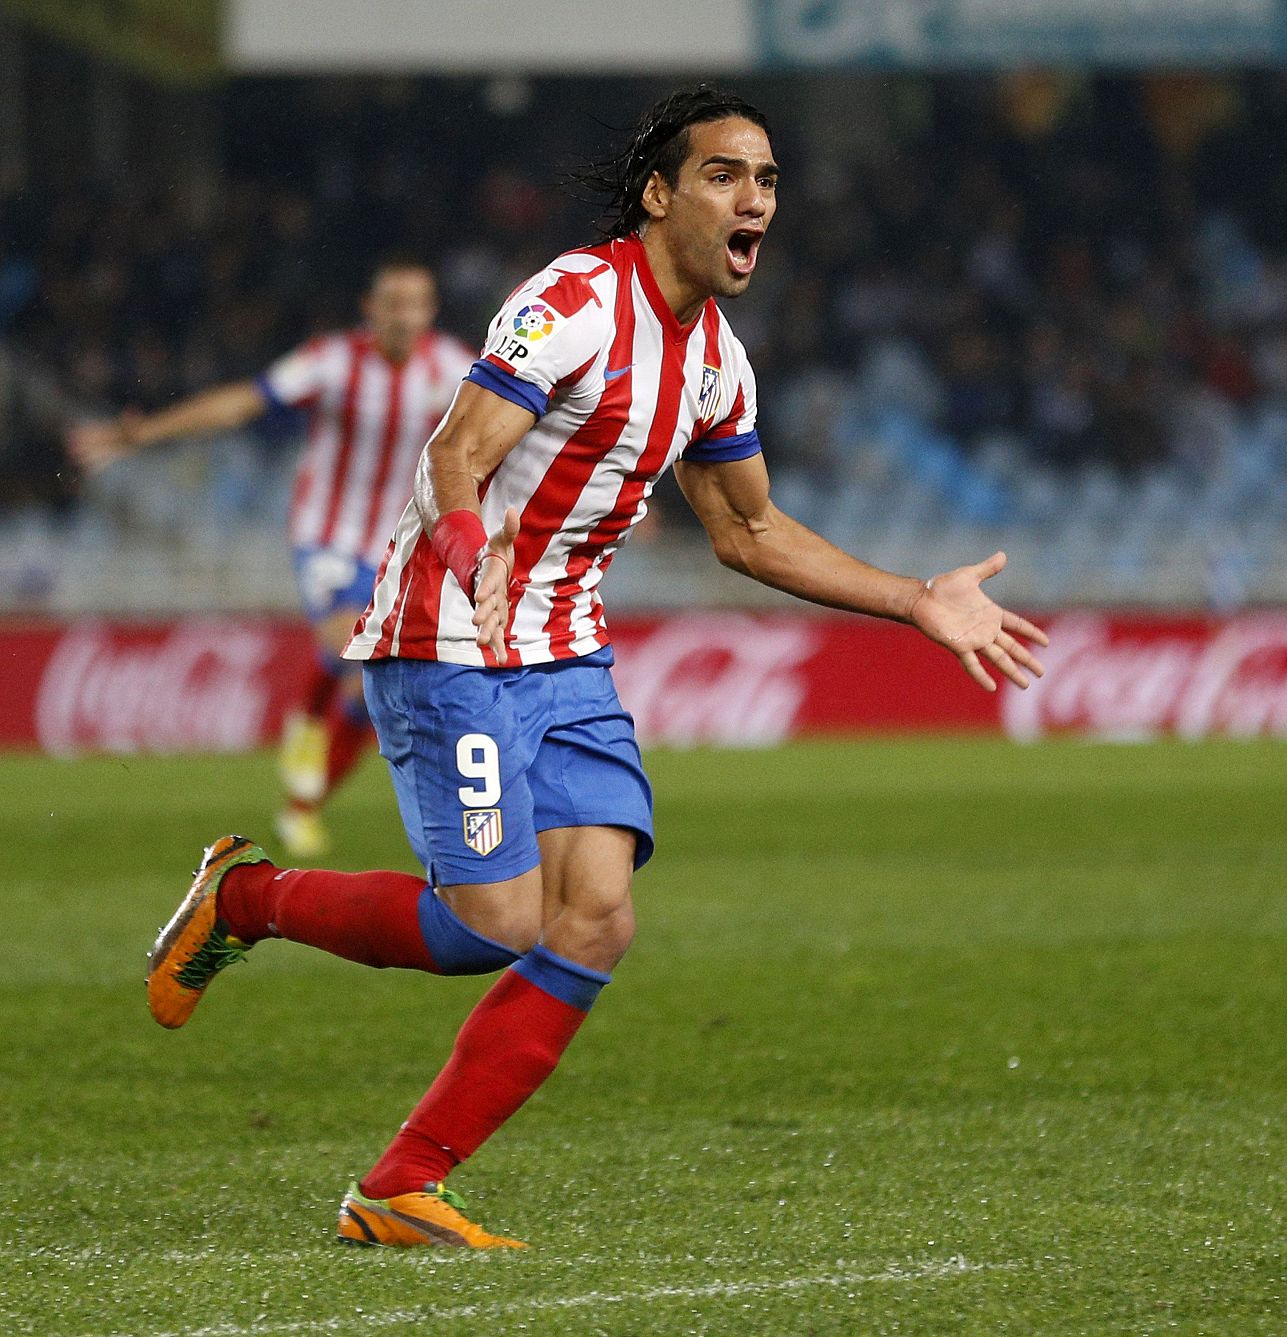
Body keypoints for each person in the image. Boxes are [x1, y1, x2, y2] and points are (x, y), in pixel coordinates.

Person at [143, 86, 1049, 1250]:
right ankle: (245, 895)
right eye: (726, 174)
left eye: (767, 180)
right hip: (449, 634)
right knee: (492, 920)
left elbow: (748, 530)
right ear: (662, 193)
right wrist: (474, 552)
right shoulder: (570, 300)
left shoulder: (718, 361)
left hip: (565, 648)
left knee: (596, 917)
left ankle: (399, 1183)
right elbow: (455, 454)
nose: (755, 199)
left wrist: (916, 598)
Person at [69, 259, 475, 858]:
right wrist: (143, 433)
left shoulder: (452, 368)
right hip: (329, 533)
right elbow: (244, 402)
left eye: (415, 303)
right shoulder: (334, 361)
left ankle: (303, 804)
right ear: (371, 308)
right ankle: (309, 724)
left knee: (372, 689)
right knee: (346, 643)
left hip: (401, 540)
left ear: (431, 310)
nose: (403, 315)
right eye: (392, 302)